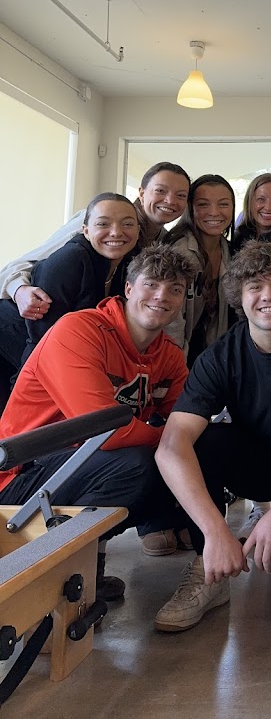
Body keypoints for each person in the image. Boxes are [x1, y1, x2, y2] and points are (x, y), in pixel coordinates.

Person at [153, 241, 271, 633]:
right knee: (202, 442)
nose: (268, 295)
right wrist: (215, 532)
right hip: (260, 466)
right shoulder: (221, 356)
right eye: (256, 286)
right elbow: (171, 447)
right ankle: (209, 568)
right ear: (240, 296)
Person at [0, 245, 195, 600]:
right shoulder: (78, 331)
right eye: (152, 284)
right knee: (138, 465)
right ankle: (45, 572)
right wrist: (168, 437)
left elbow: (188, 417)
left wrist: (182, 436)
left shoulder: (167, 354)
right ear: (129, 288)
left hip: (80, 467)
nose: (162, 296)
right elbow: (104, 433)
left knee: (183, 463)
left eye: (175, 289)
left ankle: (84, 562)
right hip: (20, 474)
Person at [0, 161, 190, 324]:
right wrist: (19, 291)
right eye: (160, 191)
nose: (170, 200)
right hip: (24, 323)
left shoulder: (163, 242)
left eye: (181, 195)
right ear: (142, 192)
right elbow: (20, 265)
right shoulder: (97, 219)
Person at [0, 194, 141, 378]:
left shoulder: (130, 262)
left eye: (127, 224)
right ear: (85, 231)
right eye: (103, 224)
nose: (116, 232)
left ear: (138, 230)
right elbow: (40, 345)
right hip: (14, 332)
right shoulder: (70, 260)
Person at [162, 174, 236, 365]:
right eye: (203, 204)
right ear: (190, 208)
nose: (214, 212)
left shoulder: (230, 251)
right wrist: (175, 367)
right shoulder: (178, 252)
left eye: (223, 204)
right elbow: (169, 318)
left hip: (211, 356)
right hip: (177, 357)